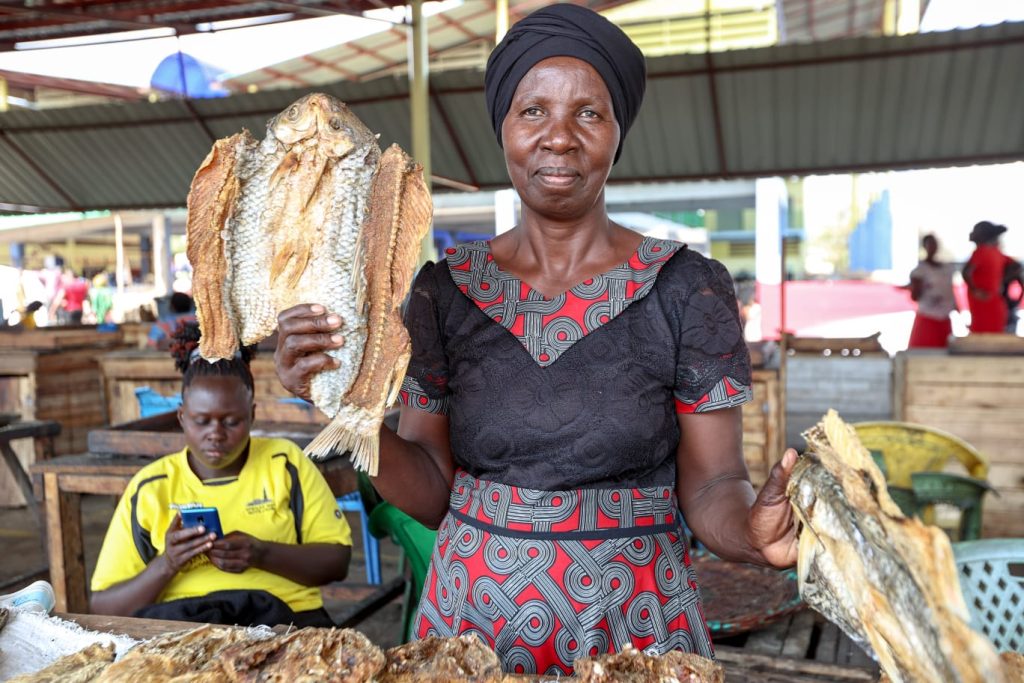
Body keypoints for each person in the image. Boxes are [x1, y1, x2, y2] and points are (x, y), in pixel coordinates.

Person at [272, 5, 797, 675]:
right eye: (533, 112)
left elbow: (713, 482)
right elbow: (433, 488)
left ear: (617, 132)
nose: (559, 138)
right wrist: (341, 403)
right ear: (504, 129)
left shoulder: (686, 287)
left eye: (588, 113)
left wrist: (751, 533)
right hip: (474, 630)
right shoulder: (445, 291)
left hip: (633, 628)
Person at [90, 322, 352, 627]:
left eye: (231, 421)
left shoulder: (284, 463)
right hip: (182, 627)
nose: (216, 434)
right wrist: (168, 564)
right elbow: (102, 606)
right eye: (202, 421)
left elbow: (337, 562)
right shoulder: (151, 487)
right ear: (182, 417)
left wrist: (261, 553)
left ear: (252, 415)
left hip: (286, 619)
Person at [963, 221, 1015, 334]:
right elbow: (1017, 267)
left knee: (982, 336)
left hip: (986, 301)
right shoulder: (996, 253)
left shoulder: (982, 252)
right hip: (991, 301)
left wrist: (975, 290)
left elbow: (966, 272)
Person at [907, 234, 958, 348]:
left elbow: (950, 290)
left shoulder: (946, 268)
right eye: (930, 244)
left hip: (944, 317)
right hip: (928, 319)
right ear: (925, 246)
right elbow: (915, 296)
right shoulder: (920, 270)